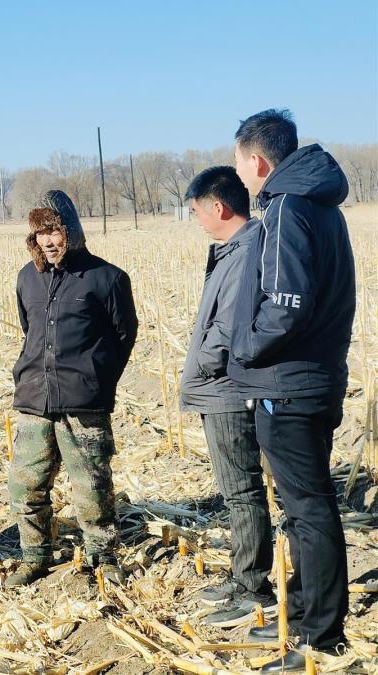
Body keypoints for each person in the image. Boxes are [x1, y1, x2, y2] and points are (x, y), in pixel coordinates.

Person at [229, 109, 354, 671]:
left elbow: (286, 303)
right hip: (316, 378)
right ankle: (302, 616)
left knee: (309, 509)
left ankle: (321, 637)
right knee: (306, 509)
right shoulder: (322, 208)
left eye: (240, 164)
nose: (241, 176)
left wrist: (245, 349)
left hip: (290, 385)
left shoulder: (286, 208)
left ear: (258, 161)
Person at [5, 190, 137, 587]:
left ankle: (102, 557)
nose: (48, 241)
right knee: (25, 486)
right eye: (40, 232)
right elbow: (29, 331)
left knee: (92, 486)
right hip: (34, 399)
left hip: (84, 402)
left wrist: (96, 379)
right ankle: (35, 556)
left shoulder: (107, 278)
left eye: (55, 230)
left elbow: (124, 337)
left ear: (72, 231)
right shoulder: (27, 278)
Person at [179, 167, 275, 627]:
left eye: (196, 211)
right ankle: (243, 577)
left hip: (227, 390)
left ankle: (254, 588)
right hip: (218, 388)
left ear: (217, 208)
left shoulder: (246, 251)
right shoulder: (234, 249)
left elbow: (229, 326)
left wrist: (201, 364)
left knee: (242, 491)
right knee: (236, 491)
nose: (196, 220)